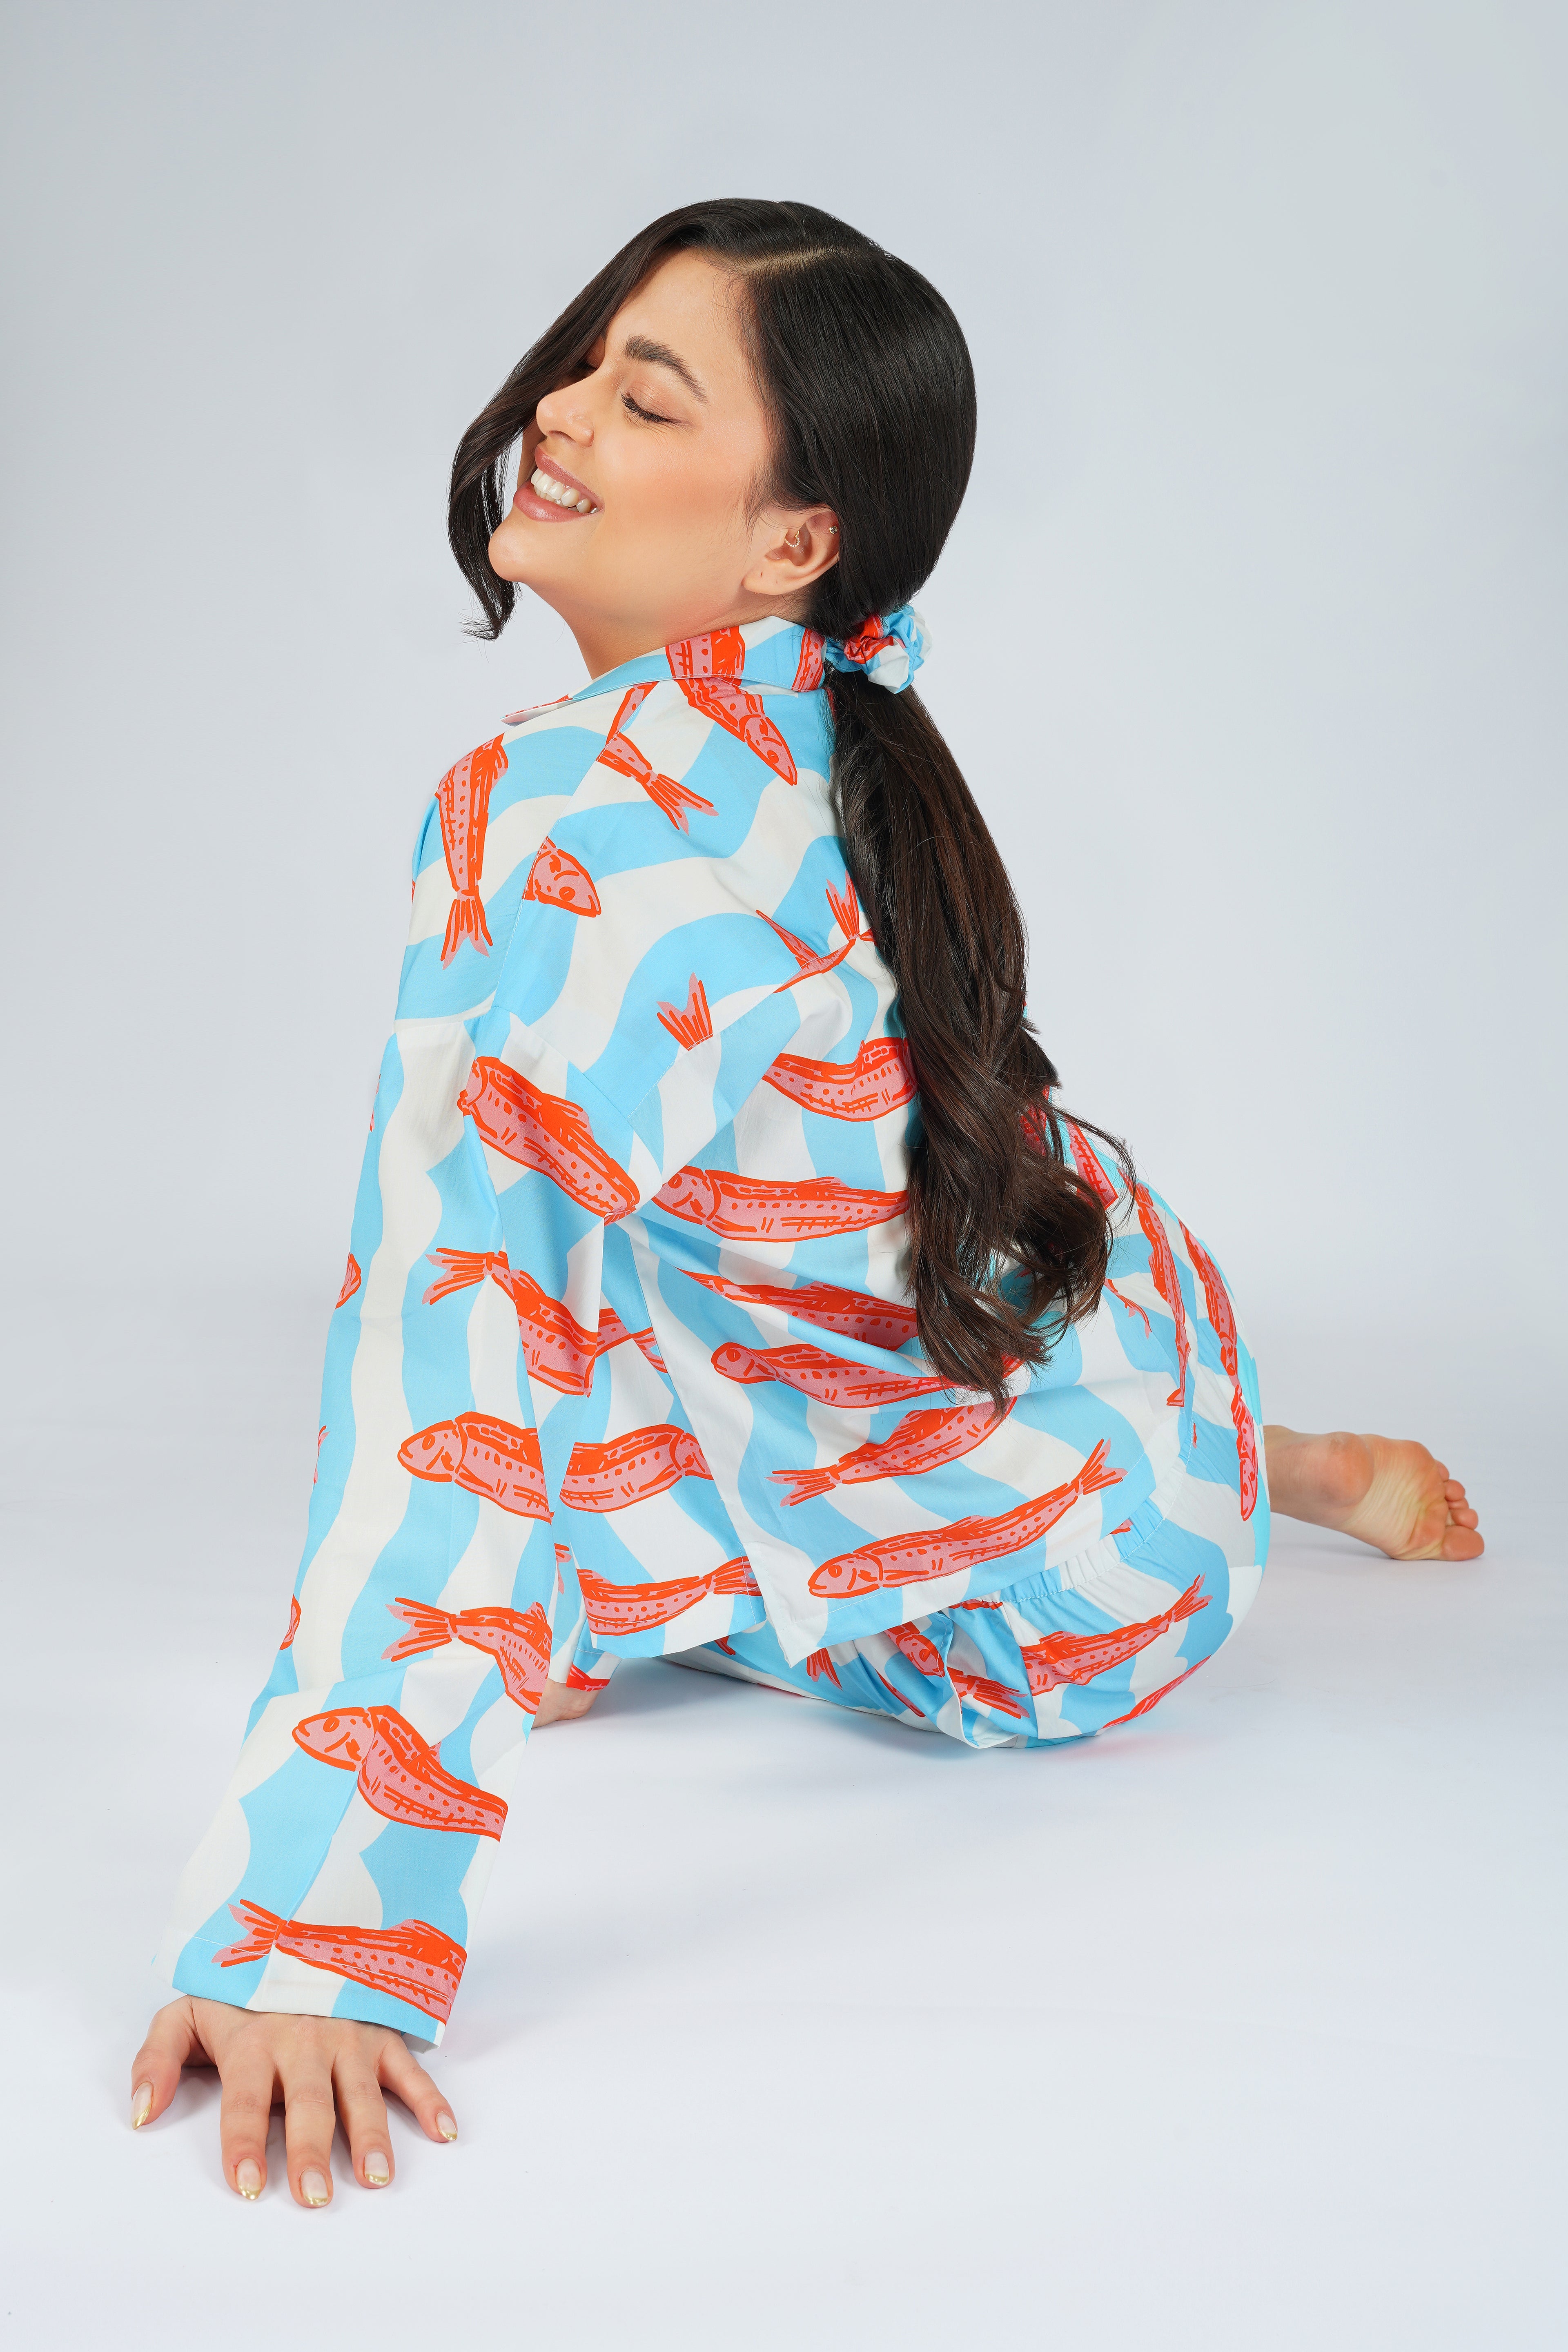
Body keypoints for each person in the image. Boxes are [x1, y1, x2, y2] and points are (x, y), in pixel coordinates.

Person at [128, 200, 1482, 2207]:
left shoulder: (578, 817)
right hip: (1114, 1388)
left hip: (1035, 1622)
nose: (562, 412)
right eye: (587, 360)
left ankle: (1256, 1471)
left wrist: (324, 1924)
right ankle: (1268, 1463)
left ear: (794, 542)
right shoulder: (808, 715)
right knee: (613, 1318)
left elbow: (460, 1316)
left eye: (647, 396)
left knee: (531, 1370)